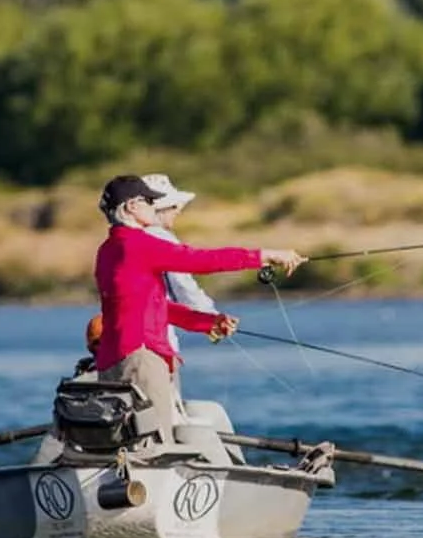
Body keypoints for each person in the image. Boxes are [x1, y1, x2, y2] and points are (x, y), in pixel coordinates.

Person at [92, 174, 304, 444]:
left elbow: (150, 307)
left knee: (125, 444)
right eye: (148, 201)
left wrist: (206, 322)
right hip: (142, 359)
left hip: (112, 360)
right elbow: (202, 260)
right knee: (155, 444)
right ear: (132, 206)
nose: (153, 207)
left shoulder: (107, 250)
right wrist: (264, 255)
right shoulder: (138, 244)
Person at [140, 173, 216, 410]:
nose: (178, 210)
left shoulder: (125, 238)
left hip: (125, 346)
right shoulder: (161, 238)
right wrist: (211, 319)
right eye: (175, 205)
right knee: (165, 407)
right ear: (160, 208)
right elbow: (184, 288)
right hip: (158, 343)